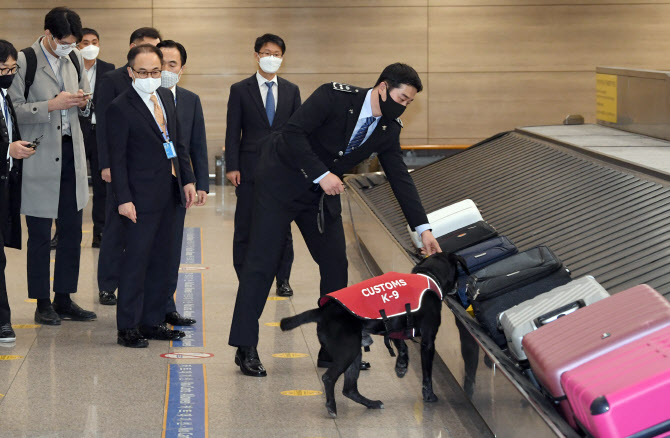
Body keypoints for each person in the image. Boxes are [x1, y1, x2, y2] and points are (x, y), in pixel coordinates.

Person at [228, 63, 441, 377]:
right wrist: (321, 173)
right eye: (403, 98)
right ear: (383, 87)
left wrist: (423, 229)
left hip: (321, 196)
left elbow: (400, 179)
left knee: (335, 265)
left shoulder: (388, 128)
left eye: (409, 103)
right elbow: (292, 134)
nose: (404, 106)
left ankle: (332, 348)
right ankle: (245, 346)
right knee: (262, 263)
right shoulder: (333, 96)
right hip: (280, 183)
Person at [8, 7, 96, 326]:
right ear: (48, 35)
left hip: (72, 154)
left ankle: (64, 297)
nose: (68, 48)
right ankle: (42, 301)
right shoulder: (25, 61)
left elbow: (85, 96)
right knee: (41, 233)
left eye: (73, 43)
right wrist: (50, 105)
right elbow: (14, 109)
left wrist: (83, 102)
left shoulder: (73, 59)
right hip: (40, 156)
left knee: (72, 231)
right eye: (64, 42)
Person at [107, 44, 196, 348]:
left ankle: (153, 319)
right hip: (139, 197)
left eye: (155, 71)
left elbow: (178, 144)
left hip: (169, 192)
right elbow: (116, 159)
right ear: (131, 72)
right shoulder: (120, 107)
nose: (150, 77)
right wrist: (123, 199)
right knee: (136, 262)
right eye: (143, 72)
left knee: (163, 260)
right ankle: (128, 327)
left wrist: (188, 180)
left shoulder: (166, 98)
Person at [225, 33, 301, 297]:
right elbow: (233, 131)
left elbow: (298, 133)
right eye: (267, 53)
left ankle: (283, 279)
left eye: (277, 54)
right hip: (248, 168)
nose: (272, 58)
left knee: (283, 228)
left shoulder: (292, 91)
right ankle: (244, 276)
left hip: (283, 170)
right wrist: (232, 166)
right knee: (245, 224)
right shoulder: (239, 89)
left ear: (282, 58)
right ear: (256, 55)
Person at [95, 27, 161, 306]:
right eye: (145, 47)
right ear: (133, 48)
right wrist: (106, 164)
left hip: (150, 171)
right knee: (115, 227)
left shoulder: (160, 82)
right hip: (120, 168)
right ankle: (108, 284)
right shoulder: (112, 79)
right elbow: (103, 128)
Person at [157, 39, 208, 327]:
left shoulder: (190, 99)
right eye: (160, 63)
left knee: (173, 246)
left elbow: (196, 144)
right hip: (148, 184)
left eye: (172, 64)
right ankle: (145, 305)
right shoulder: (143, 97)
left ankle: (167, 304)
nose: (165, 69)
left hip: (179, 184)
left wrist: (200, 183)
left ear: (182, 69)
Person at [0, 40, 36, 341]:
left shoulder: (4, 96)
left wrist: (15, 148)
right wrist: (7, 149)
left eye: (13, 69)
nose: (9, 75)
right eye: (3, 69)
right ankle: (3, 320)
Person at [77, 27, 114, 248]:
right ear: (77, 46)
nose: (90, 46)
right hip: (77, 133)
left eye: (94, 42)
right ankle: (62, 232)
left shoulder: (109, 70)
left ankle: (100, 231)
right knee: (71, 183)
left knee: (103, 185)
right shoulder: (69, 67)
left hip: (101, 134)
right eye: (85, 42)